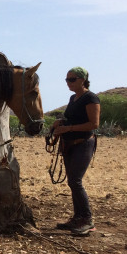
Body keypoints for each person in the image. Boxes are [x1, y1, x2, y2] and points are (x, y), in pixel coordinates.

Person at [51, 67, 101, 235]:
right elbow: (71, 118)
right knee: (73, 181)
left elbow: (94, 124)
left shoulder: (91, 98)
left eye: (72, 79)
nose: (68, 83)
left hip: (83, 143)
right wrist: (60, 122)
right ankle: (78, 217)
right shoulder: (73, 98)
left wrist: (69, 128)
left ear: (82, 80)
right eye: (66, 80)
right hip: (69, 144)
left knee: (75, 181)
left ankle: (87, 219)